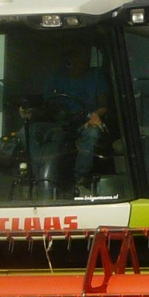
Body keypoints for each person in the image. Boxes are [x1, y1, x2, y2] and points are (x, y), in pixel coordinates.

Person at [42, 44, 112, 191]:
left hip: (87, 121)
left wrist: (95, 114)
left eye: (83, 57)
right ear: (68, 61)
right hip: (62, 122)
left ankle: (80, 179)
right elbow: (47, 104)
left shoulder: (97, 76)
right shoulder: (56, 78)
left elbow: (104, 105)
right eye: (76, 58)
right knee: (52, 139)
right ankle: (48, 181)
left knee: (93, 133)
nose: (81, 61)